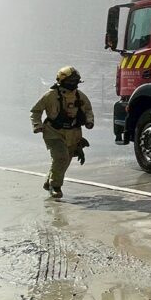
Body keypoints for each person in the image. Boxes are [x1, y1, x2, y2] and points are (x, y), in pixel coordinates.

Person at [30, 66, 94, 200]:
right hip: (53, 132)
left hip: (73, 134)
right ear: (62, 80)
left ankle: (49, 181)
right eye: (70, 81)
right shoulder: (50, 95)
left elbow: (88, 110)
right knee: (61, 157)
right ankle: (56, 187)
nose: (73, 84)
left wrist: (89, 121)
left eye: (75, 81)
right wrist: (37, 125)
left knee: (64, 161)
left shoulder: (80, 96)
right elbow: (36, 111)